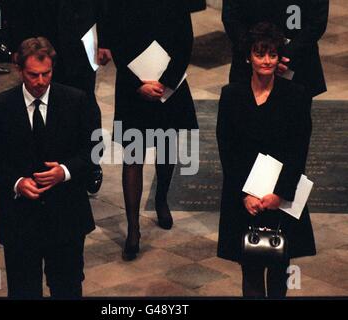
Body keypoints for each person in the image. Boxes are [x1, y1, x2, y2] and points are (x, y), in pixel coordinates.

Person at [0, 38, 98, 299]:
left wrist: (64, 171)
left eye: (46, 74)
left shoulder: (76, 100)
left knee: (68, 289)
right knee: (23, 290)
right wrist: (16, 182)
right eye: (33, 75)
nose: (40, 81)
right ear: (20, 70)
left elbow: (93, 151)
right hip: (20, 219)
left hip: (66, 217)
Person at [216, 22, 316, 298]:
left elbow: (299, 151)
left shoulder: (296, 96)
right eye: (260, 54)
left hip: (280, 196)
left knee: (279, 267)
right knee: (249, 268)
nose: (267, 61)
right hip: (244, 197)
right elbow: (227, 150)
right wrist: (245, 194)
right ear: (249, 56)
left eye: (272, 54)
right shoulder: (231, 95)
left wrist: (280, 194)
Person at [103, 0, 198, 261]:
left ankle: (161, 199)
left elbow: (185, 41)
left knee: (167, 148)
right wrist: (138, 84)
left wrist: (166, 83)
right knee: (133, 157)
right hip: (133, 86)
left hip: (169, 86)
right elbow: (117, 41)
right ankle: (133, 228)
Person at [6, 0, 111, 194]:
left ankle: (90, 162)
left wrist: (105, 40)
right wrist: (13, 43)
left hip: (79, 38)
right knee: (41, 101)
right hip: (37, 34)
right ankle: (47, 161)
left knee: (84, 102)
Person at [222, 0, 329, 99]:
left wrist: (282, 55)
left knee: (296, 113)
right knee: (244, 113)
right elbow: (231, 17)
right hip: (250, 64)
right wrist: (256, 51)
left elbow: (317, 21)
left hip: (297, 62)